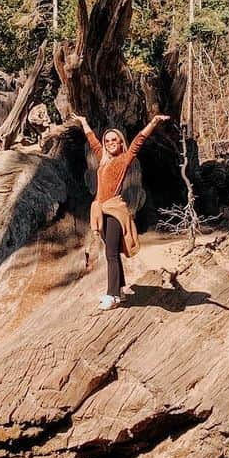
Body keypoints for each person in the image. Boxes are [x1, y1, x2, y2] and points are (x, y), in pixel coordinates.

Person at [76, 112, 171, 311]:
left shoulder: (124, 159)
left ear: (121, 143)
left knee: (110, 253)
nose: (110, 143)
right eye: (108, 140)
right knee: (112, 252)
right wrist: (84, 122)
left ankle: (111, 295)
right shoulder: (103, 159)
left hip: (115, 211)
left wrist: (153, 122)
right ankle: (119, 291)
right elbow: (92, 141)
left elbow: (138, 141)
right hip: (101, 212)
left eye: (114, 140)